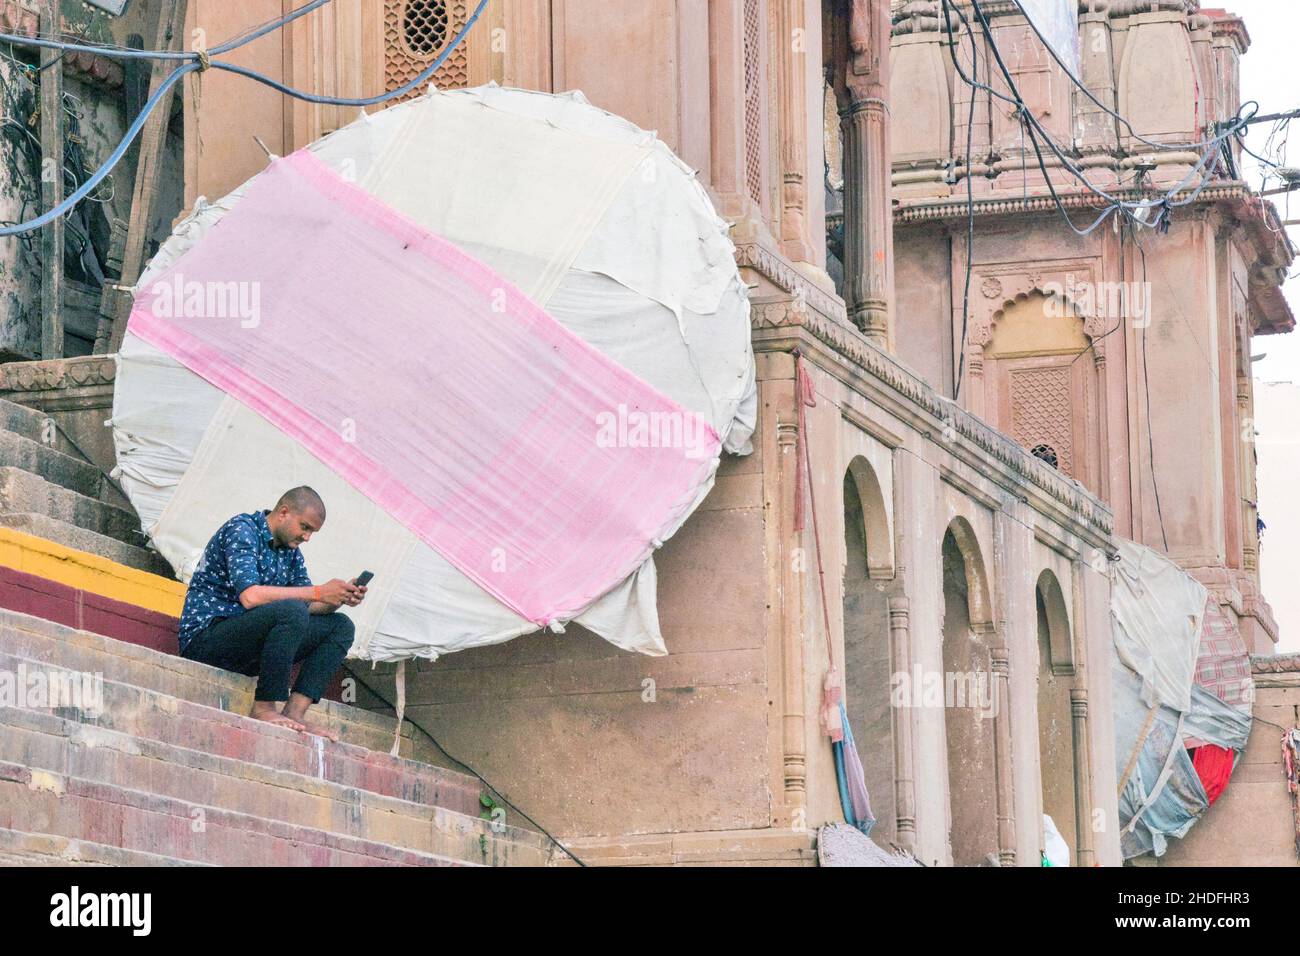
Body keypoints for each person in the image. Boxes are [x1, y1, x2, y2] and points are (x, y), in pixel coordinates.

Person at [177, 486, 366, 739]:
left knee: (340, 625)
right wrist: (319, 591)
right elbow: (251, 596)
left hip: (247, 646)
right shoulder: (243, 529)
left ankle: (295, 712)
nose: (307, 537)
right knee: (291, 610)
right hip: (207, 640)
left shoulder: (291, 553)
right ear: (284, 512)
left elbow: (309, 603)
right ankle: (264, 706)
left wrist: (338, 598)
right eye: (305, 527)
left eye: (312, 532)